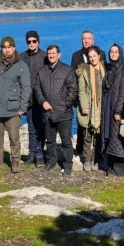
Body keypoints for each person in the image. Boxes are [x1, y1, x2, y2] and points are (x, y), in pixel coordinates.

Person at [0, 36, 31, 173]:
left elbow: (26, 87)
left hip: (13, 109)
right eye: (5, 48)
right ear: (1, 49)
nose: (7, 50)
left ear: (14, 48)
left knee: (14, 138)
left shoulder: (21, 66)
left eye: (9, 47)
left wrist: (23, 107)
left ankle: (15, 161)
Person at [34, 44, 78, 176]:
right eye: (49, 54)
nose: (51, 55)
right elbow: (37, 88)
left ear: (59, 54)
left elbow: (73, 89)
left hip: (63, 113)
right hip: (47, 113)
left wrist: (65, 104)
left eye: (53, 53)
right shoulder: (42, 72)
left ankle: (68, 164)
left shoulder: (67, 70)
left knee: (66, 141)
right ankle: (51, 161)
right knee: (50, 140)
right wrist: (43, 102)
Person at [71, 30, 106, 158]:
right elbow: (73, 77)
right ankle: (81, 152)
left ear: (93, 39)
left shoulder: (101, 54)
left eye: (88, 38)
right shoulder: (76, 56)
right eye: (84, 38)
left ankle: (97, 155)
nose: (86, 40)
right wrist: (77, 100)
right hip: (82, 97)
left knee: (97, 129)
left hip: (98, 100)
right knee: (83, 127)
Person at [103, 44, 124, 177]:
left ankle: (119, 168)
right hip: (109, 106)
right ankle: (111, 165)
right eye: (111, 52)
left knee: (118, 137)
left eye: (116, 52)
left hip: (117, 108)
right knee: (110, 136)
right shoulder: (110, 68)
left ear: (120, 53)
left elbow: (123, 91)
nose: (113, 54)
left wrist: (118, 111)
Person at [20, 30, 46, 167]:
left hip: (41, 98)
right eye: (29, 41)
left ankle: (40, 152)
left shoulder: (44, 56)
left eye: (34, 41)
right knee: (30, 127)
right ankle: (31, 153)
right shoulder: (22, 57)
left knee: (41, 126)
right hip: (28, 98)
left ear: (38, 42)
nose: (31, 43)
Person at [77, 46, 105, 172]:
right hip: (89, 106)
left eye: (94, 56)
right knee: (87, 135)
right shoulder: (84, 71)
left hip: (101, 107)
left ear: (99, 56)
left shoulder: (105, 69)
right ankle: (87, 160)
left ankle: (96, 159)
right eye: (90, 56)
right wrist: (84, 106)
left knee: (99, 136)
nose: (92, 58)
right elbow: (81, 90)